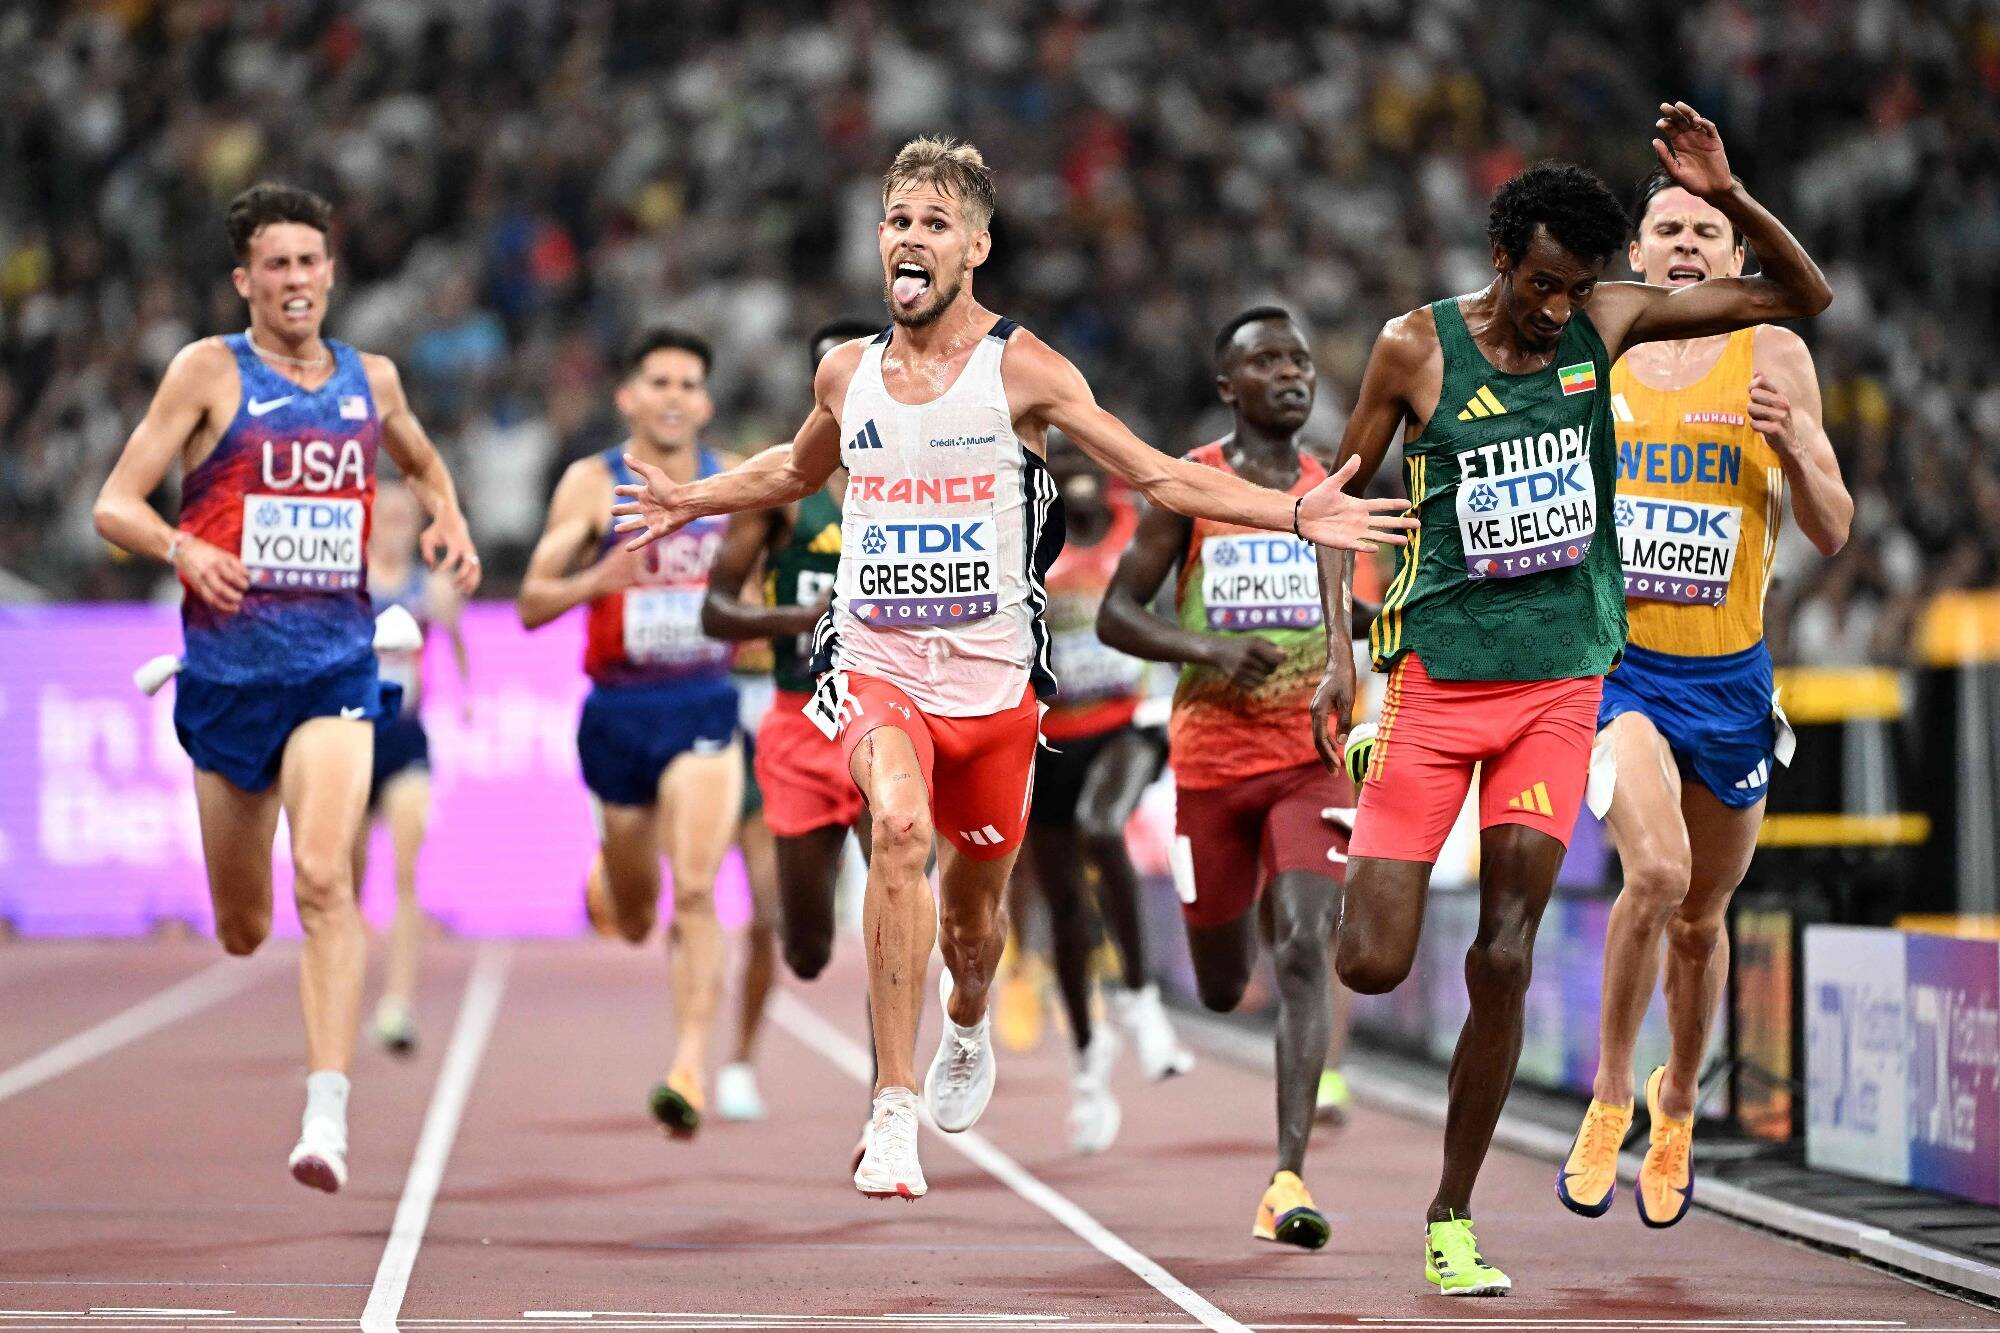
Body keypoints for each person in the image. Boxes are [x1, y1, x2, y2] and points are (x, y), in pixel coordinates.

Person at [612, 136, 1414, 1200]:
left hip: (994, 689)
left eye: (934, 224)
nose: (909, 239)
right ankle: (889, 1108)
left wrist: (1293, 509)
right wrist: (691, 498)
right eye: (897, 220)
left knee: (972, 924)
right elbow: (794, 465)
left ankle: (966, 1016)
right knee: (897, 831)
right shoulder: (844, 370)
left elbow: (1159, 474)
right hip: (877, 661)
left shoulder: (1022, 369)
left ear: (975, 247)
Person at [1309, 104, 1831, 1294]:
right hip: (1433, 686)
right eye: (1541, 286)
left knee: (1503, 952)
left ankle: (1451, 1216)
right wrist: (1344, 666)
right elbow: (1335, 508)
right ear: (1501, 262)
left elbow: (1800, 299)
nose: (1556, 311)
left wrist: (1732, 193)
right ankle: (1371, 834)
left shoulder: (1606, 321)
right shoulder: (1413, 349)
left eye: (1574, 288)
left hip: (1558, 688)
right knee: (1372, 965)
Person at [91, 183, 480, 1193]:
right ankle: (264, 946)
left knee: (323, 876)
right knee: (243, 924)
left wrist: (449, 519)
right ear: (245, 279)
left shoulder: (372, 379)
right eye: (277, 264)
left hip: (336, 666)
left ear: (331, 271)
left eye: (311, 261)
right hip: (225, 679)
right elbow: (113, 504)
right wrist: (182, 546)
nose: (296, 279)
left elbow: (425, 464)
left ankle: (327, 1111)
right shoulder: (209, 371)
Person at [1558, 169, 1850, 1227]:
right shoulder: (1599, 349)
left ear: (1734, 262)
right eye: (1667, 229)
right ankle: (1604, 1094)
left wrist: (1795, 449)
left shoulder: (1772, 352)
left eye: (1706, 233)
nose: (1685, 244)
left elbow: (1830, 524)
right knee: (1655, 872)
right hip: (1621, 672)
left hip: (1728, 680)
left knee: (1699, 917)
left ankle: (1672, 1097)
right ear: (1635, 255)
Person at [1099, 307, 1359, 1247]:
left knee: (1304, 948)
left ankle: (1286, 1176)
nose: (1293, 372)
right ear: (1228, 387)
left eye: (1300, 357)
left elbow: (1359, 616)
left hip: (1310, 760)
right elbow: (1117, 616)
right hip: (1210, 765)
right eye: (1267, 361)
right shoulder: (1190, 485)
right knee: (1219, 984)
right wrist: (1206, 644)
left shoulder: (1335, 486)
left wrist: (1358, 641)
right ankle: (1249, 900)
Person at [517, 327, 744, 1139]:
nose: (675, 395)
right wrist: (597, 578)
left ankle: (689, 1064)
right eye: (659, 381)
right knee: (639, 916)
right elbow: (532, 603)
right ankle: (608, 880)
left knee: (694, 889)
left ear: (706, 401)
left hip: (703, 703)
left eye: (689, 382)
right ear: (629, 396)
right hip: (617, 715)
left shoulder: (730, 482)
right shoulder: (590, 485)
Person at [1024, 431, 1196, 1156]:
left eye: (1085, 467)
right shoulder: (1026, 540)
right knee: (1061, 907)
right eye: (1058, 471)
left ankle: (1139, 992)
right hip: (1047, 739)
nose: (1078, 481)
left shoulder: (1137, 530)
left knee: (1103, 825)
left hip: (1128, 722)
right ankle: (1089, 1062)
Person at [354, 479, 472, 1056]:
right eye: (388, 514)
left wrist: (468, 692)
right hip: (348, 744)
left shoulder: (429, 586)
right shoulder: (347, 584)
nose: (398, 524)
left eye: (408, 516)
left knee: (405, 875)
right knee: (343, 886)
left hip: (404, 739)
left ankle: (396, 1004)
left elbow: (455, 641)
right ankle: (344, 994)